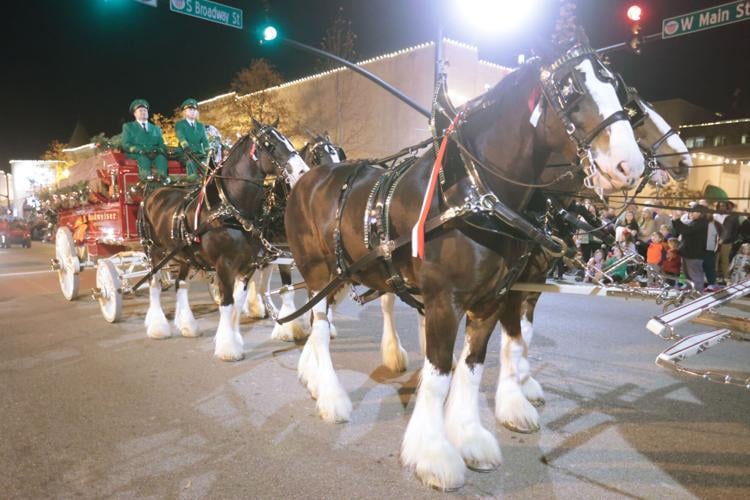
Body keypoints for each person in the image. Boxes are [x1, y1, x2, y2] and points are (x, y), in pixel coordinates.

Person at [121, 99, 168, 181]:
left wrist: (158, 151)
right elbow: (126, 144)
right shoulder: (128, 127)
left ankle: (163, 181)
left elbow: (161, 144)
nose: (143, 112)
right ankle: (146, 183)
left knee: (161, 158)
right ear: (135, 114)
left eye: (145, 110)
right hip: (138, 154)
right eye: (140, 111)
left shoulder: (156, 129)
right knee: (144, 159)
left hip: (154, 153)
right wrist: (139, 150)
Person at [672, 205, 708, 292]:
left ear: (700, 213)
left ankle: (698, 292)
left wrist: (676, 220)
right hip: (687, 252)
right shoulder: (695, 221)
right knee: (687, 274)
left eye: (693, 211)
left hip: (694, 253)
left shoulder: (702, 223)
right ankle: (689, 288)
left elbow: (686, 230)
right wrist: (675, 220)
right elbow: (682, 229)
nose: (690, 213)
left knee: (695, 274)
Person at [175, 98, 211, 181]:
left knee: (209, 167)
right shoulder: (180, 124)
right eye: (190, 109)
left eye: (194, 110)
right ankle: (191, 186)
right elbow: (181, 136)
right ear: (184, 112)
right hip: (186, 153)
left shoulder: (200, 125)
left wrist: (208, 151)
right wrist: (185, 146)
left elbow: (205, 140)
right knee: (191, 163)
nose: (193, 111)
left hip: (199, 153)